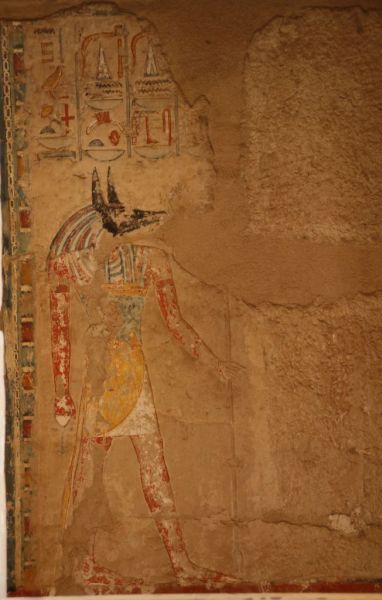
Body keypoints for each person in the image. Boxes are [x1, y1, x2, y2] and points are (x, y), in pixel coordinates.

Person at [48, 167, 240, 593]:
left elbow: (176, 322)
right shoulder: (80, 266)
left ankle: (181, 564)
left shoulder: (152, 261)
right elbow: (58, 320)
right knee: (89, 473)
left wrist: (214, 363)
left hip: (133, 373)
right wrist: (61, 392)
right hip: (103, 379)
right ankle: (85, 565)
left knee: (155, 470)